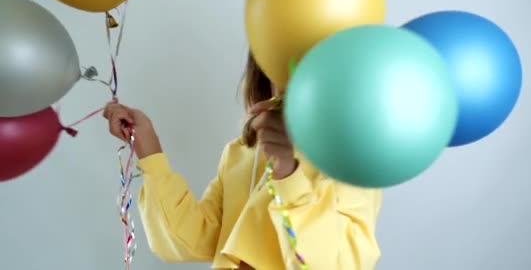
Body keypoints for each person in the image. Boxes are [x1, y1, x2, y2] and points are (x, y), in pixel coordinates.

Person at [103, 53, 382, 270]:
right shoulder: (242, 152)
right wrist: (149, 149)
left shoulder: (351, 161)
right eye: (277, 53)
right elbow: (190, 239)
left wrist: (288, 173)